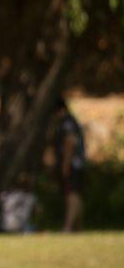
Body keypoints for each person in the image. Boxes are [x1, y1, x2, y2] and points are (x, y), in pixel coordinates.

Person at [55, 98, 85, 232]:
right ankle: (77, 227)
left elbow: (69, 143)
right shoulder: (72, 121)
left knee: (71, 194)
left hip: (73, 164)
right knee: (76, 194)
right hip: (79, 164)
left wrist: (65, 164)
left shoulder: (67, 123)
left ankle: (68, 226)